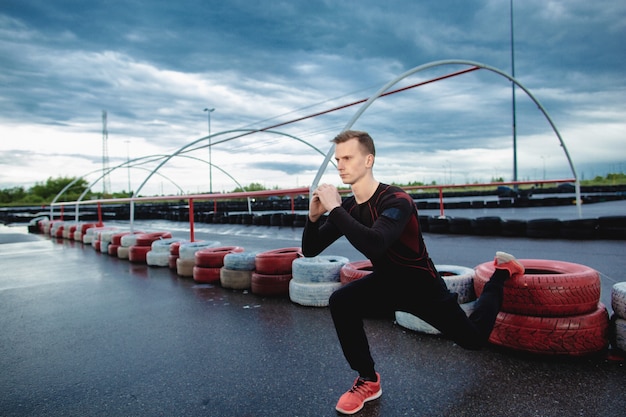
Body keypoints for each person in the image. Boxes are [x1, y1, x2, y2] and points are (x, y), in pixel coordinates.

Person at [301, 130, 525, 415]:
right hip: (387, 283)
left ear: (368, 160)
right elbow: (310, 249)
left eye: (348, 157)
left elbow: (376, 242)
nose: (341, 165)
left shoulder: (397, 200)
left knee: (475, 340)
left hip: (423, 288)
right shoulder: (347, 207)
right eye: (337, 159)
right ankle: (368, 380)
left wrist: (334, 209)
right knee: (342, 301)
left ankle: (501, 274)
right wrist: (313, 217)